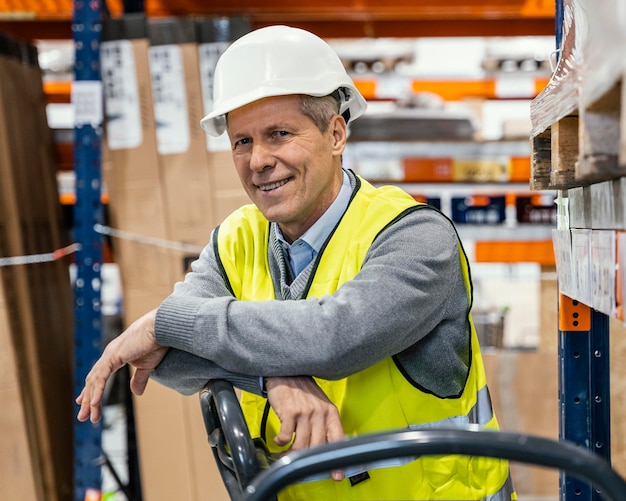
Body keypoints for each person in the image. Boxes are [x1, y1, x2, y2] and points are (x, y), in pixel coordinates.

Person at [77, 25, 515, 500]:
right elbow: (164, 358)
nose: (258, 160)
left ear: (336, 133)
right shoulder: (234, 240)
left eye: (279, 134)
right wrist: (271, 378)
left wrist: (167, 320)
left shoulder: (414, 235)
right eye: (242, 141)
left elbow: (337, 337)